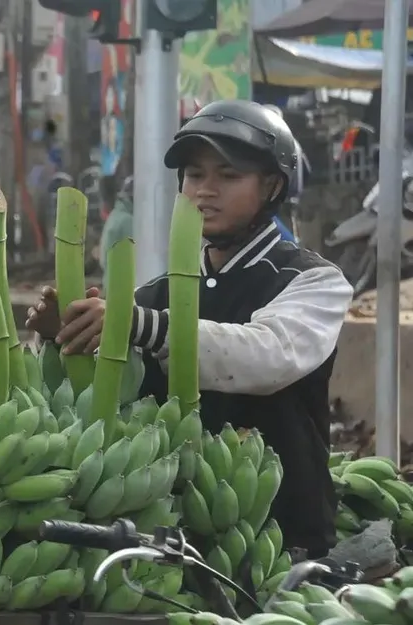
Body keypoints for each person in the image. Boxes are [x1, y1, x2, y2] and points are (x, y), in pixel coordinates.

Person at [26, 100, 353, 559]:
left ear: (272, 186)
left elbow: (270, 355)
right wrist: (59, 335)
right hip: (166, 539)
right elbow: (104, 392)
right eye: (194, 175)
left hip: (284, 540)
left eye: (229, 175)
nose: (205, 191)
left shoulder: (312, 281)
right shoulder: (151, 295)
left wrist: (141, 325)